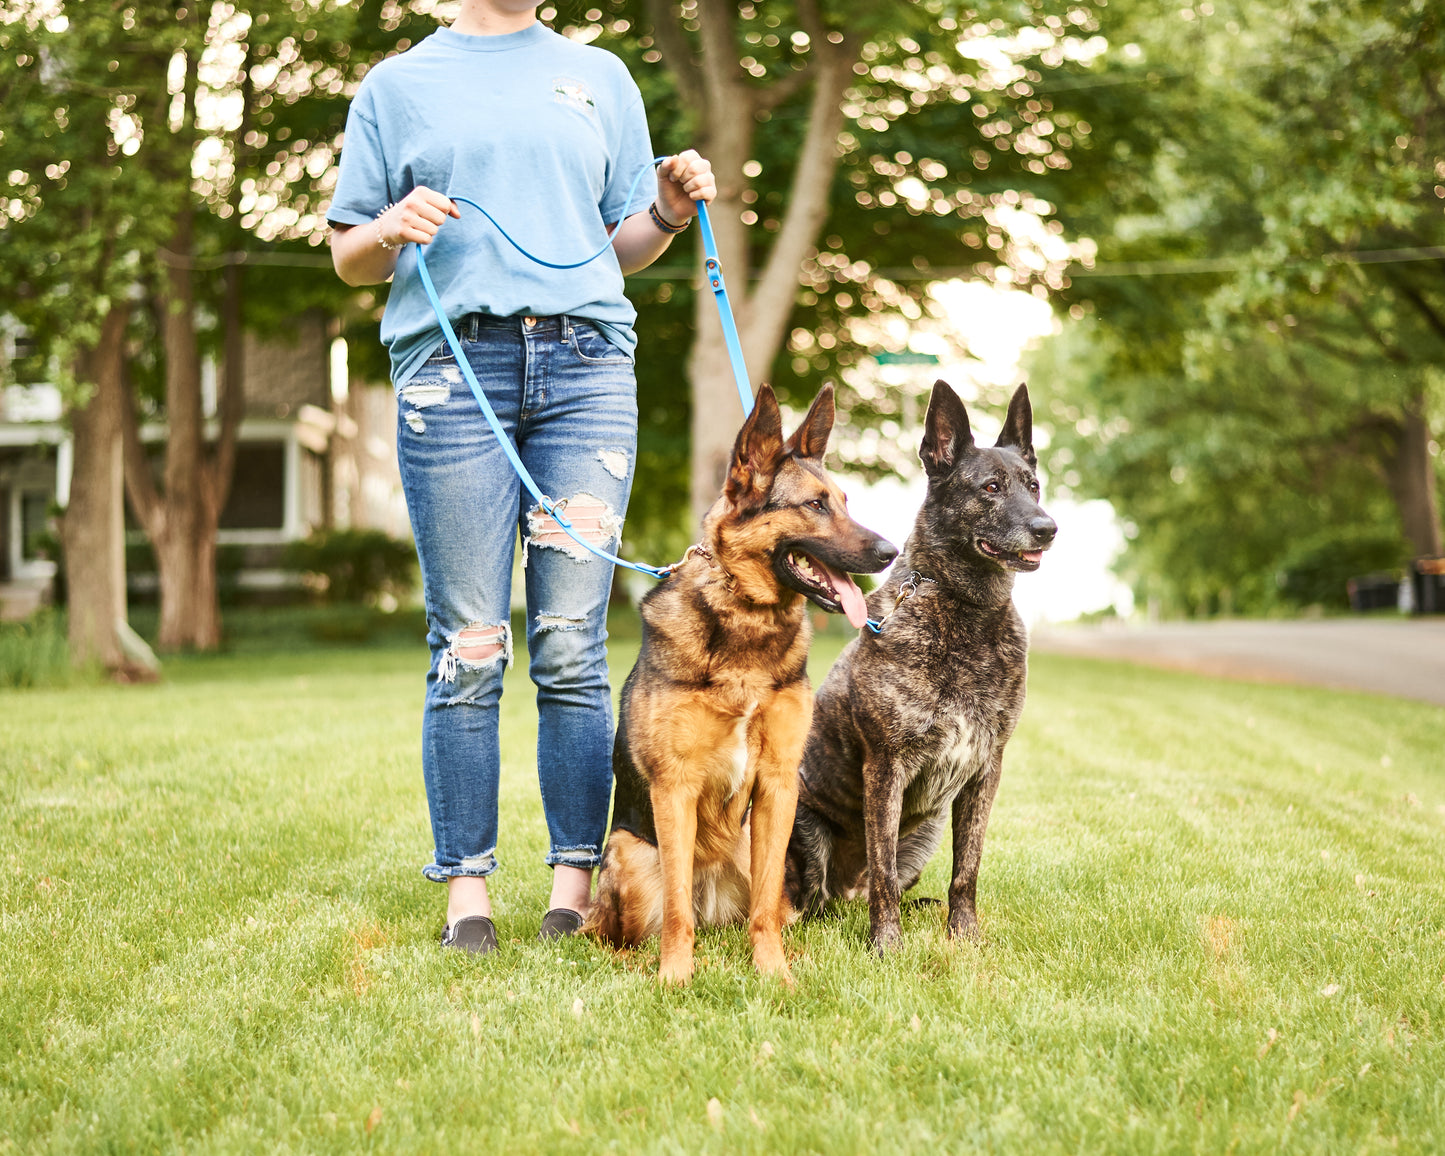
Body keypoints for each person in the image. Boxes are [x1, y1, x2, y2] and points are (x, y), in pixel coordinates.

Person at [327, 0, 716, 954]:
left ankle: (572, 886)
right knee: (469, 642)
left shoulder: (600, 76)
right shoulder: (397, 84)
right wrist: (390, 227)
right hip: (454, 374)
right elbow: (347, 258)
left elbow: (618, 244)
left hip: (586, 369)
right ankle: (467, 896)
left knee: (573, 642)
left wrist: (665, 210)